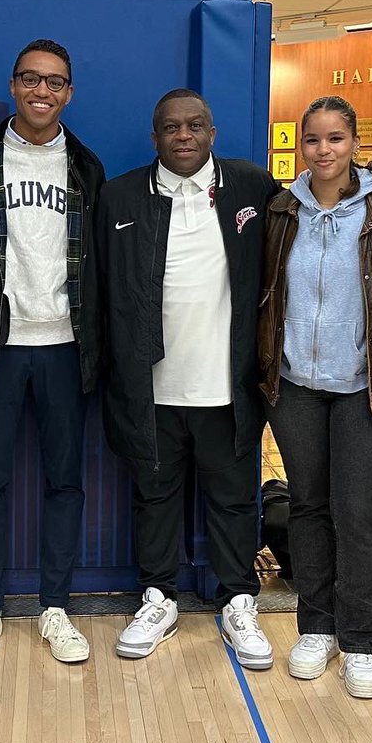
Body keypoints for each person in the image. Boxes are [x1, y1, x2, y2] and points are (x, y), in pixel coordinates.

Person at [99, 89, 279, 668]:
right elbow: (100, 294)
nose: (183, 135)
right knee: (156, 497)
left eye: (195, 125)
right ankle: (158, 597)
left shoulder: (253, 187)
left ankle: (238, 600)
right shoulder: (120, 196)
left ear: (212, 132)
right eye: (171, 127)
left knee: (232, 500)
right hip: (151, 386)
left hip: (227, 385)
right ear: (154, 137)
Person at [0, 38, 104, 668]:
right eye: (31, 79)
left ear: (69, 92)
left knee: (66, 481)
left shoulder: (85, 168)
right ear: (13, 86)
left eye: (55, 82)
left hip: (65, 344)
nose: (42, 91)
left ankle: (54, 607)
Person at [258, 97, 372, 698]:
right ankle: (316, 627)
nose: (324, 151)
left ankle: (361, 642)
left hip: (366, 387)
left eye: (335, 139)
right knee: (308, 506)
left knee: (357, 511)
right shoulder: (279, 211)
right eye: (313, 141)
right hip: (294, 385)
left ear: (354, 142)